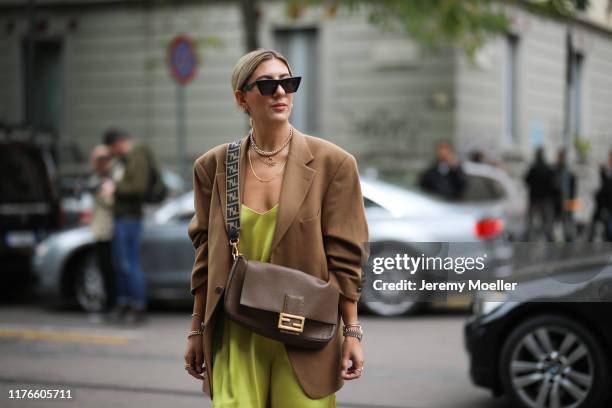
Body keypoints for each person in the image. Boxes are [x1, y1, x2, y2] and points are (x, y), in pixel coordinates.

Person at [184, 49, 369, 407]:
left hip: (305, 331)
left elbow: (346, 259)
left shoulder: (334, 164)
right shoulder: (214, 166)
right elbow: (205, 257)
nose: (281, 93)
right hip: (236, 331)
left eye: (288, 83)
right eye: (268, 85)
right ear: (242, 98)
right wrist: (196, 330)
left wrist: (352, 332)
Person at [103, 128, 153, 324]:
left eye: (113, 149)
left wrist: (115, 188)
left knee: (129, 263)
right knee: (121, 263)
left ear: (119, 143)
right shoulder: (123, 160)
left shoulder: (137, 155)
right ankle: (124, 304)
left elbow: (138, 187)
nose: (113, 154)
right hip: (122, 217)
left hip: (130, 217)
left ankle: (138, 305)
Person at [88, 144, 117, 311]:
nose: (101, 162)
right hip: (99, 230)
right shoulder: (96, 179)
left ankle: (111, 303)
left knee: (110, 268)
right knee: (103, 268)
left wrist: (103, 191)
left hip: (109, 230)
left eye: (104, 159)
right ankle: (108, 302)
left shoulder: (109, 179)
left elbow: (110, 202)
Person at [523, 148, 555, 241]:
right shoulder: (547, 168)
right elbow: (552, 183)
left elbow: (526, 181)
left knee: (530, 221)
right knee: (546, 222)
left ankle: (527, 238)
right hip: (544, 199)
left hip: (534, 198)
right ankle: (549, 238)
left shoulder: (533, 169)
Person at [551, 149, 577, 242]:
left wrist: (574, 204)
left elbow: (574, 189)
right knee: (556, 223)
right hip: (557, 202)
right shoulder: (554, 171)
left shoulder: (569, 172)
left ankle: (568, 239)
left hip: (568, 201)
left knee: (568, 221)